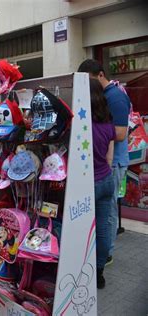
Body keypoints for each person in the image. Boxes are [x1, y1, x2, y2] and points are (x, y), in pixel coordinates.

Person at [78, 59, 131, 266]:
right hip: (103, 164)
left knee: (107, 213)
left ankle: (106, 255)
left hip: (113, 163)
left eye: (90, 81)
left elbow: (119, 133)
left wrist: (95, 131)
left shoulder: (115, 97)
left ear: (100, 75)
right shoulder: (103, 96)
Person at [89, 78, 115, 289]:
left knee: (83, 230)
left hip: (90, 183)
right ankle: (99, 273)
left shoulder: (82, 124)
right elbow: (109, 157)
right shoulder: (108, 121)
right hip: (107, 179)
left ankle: (84, 271)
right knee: (103, 230)